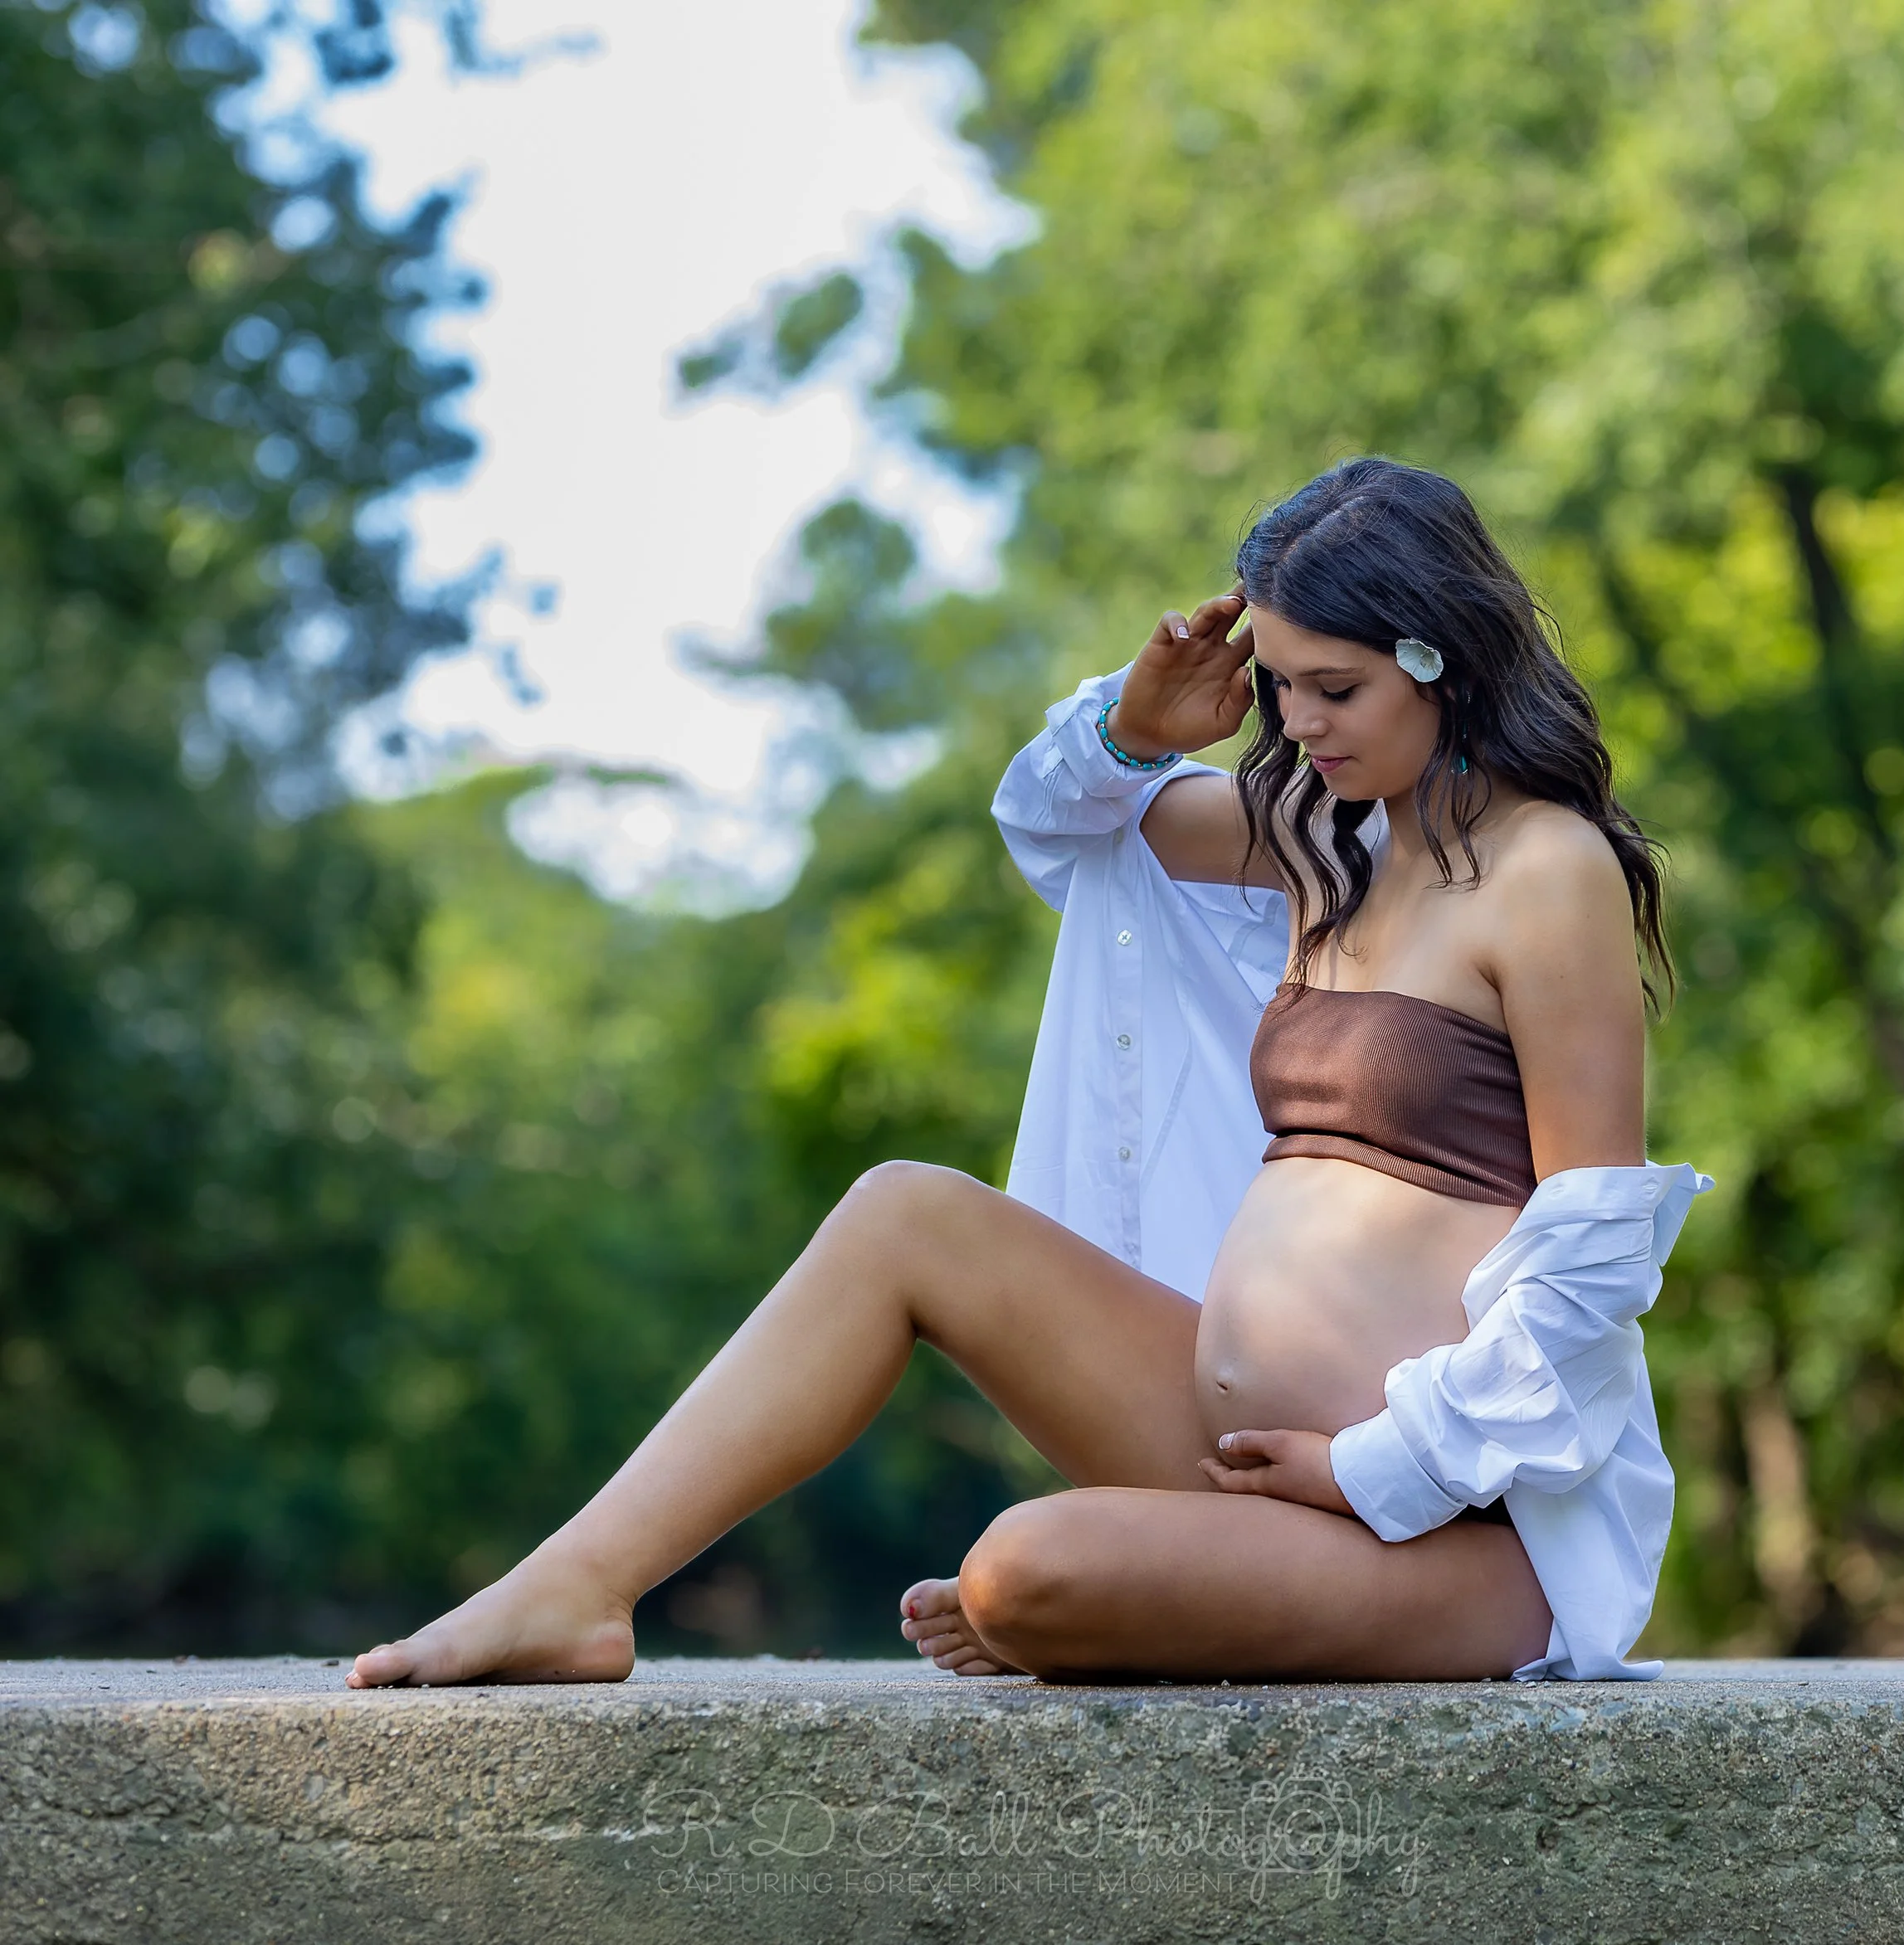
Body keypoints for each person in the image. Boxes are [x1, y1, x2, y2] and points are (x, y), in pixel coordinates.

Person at [346, 455, 1710, 1691]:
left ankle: (1114, 1595)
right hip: (1246, 1465)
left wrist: (1370, 1469)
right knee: (904, 1210)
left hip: (1456, 1529)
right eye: (1281, 685)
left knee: (1016, 1575)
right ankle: (577, 1588)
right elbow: (1061, 824)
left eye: (1335, 688)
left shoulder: (1547, 871)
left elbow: (1590, 1261)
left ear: (1445, 662)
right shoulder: (1323, 840)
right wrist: (1137, 722)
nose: (1297, 723)